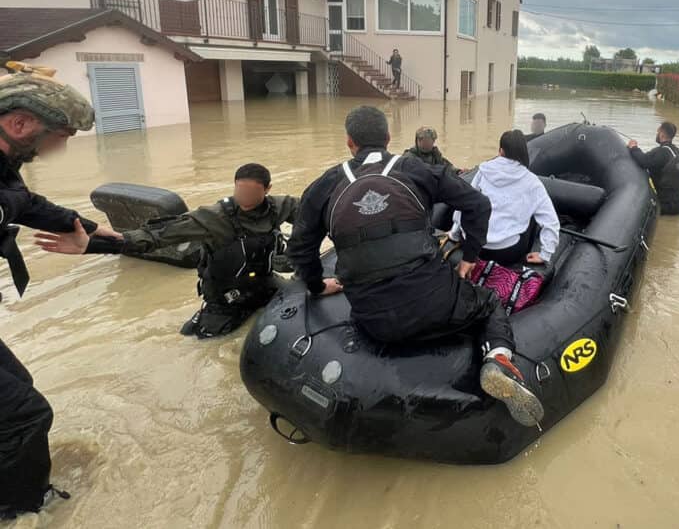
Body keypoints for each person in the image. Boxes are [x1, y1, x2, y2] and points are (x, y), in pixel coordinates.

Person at [288, 106, 544, 427]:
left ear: (349, 142)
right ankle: (497, 359)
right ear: (388, 138)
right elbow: (478, 204)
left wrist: (316, 285)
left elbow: (299, 248)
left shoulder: (324, 186)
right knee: (489, 302)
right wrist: (468, 258)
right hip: (435, 304)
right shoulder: (414, 168)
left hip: (374, 321)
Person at [0, 61, 120, 519]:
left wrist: (87, 228)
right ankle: (21, 510)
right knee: (25, 413)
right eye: (58, 137)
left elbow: (24, 202)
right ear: (20, 123)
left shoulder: (5, 163)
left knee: (20, 388)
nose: (56, 149)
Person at [36, 163, 299, 339]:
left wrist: (298, 252)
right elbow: (158, 236)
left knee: (302, 305)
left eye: (251, 193)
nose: (244, 199)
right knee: (200, 342)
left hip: (265, 285)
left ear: (267, 190)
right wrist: (97, 245)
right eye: (239, 191)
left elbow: (314, 214)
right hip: (227, 299)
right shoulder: (214, 218)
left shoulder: (280, 206)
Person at [449, 130, 559, 266]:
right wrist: (545, 254)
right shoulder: (532, 181)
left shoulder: (483, 172)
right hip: (506, 252)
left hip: (473, 246)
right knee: (532, 214)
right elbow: (551, 221)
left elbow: (465, 206)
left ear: (501, 151)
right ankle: (525, 259)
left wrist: (454, 234)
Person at [627, 121, 679, 215]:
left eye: (658, 132)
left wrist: (633, 147)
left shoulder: (662, 152)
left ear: (661, 134)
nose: (657, 134)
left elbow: (643, 161)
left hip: (664, 205)